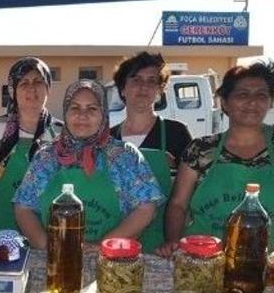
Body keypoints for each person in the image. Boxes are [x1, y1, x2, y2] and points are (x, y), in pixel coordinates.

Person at [157, 60, 274, 257]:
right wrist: (173, 242)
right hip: (203, 260)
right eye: (242, 94)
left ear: (271, 102)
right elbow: (178, 204)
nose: (252, 102)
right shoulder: (200, 149)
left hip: (272, 263)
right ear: (224, 102)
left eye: (261, 95)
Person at [14, 80, 165, 249]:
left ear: (103, 114)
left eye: (91, 108)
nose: (82, 115)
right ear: (65, 113)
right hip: (54, 258)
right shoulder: (46, 157)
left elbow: (146, 208)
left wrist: (101, 247)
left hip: (110, 258)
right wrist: (48, 247)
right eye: (75, 108)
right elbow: (23, 208)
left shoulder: (124, 156)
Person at [110, 52, 193, 253]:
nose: (143, 87)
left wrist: (174, 241)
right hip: (116, 241)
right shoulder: (109, 139)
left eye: (151, 81)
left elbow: (190, 195)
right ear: (123, 89)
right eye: (136, 79)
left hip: (163, 244)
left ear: (160, 90)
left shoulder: (176, 133)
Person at [0, 57, 63, 238]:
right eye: (24, 83)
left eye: (38, 82)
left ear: (48, 88)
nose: (32, 88)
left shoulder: (62, 134)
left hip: (43, 231)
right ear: (13, 90)